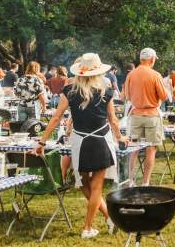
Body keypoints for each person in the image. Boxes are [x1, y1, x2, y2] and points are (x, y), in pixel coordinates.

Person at [35, 53, 127, 239]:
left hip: (79, 141)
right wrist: (120, 137)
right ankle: (88, 227)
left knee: (85, 183)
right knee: (95, 187)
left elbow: (57, 116)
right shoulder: (105, 91)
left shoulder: (69, 91)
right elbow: (113, 119)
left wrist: (43, 141)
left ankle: (105, 220)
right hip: (100, 140)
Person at [121, 48, 168, 186]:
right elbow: (164, 96)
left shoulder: (131, 75)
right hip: (152, 116)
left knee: (133, 149)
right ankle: (145, 182)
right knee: (151, 149)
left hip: (135, 115)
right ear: (152, 59)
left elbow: (126, 96)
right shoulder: (155, 75)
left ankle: (130, 181)